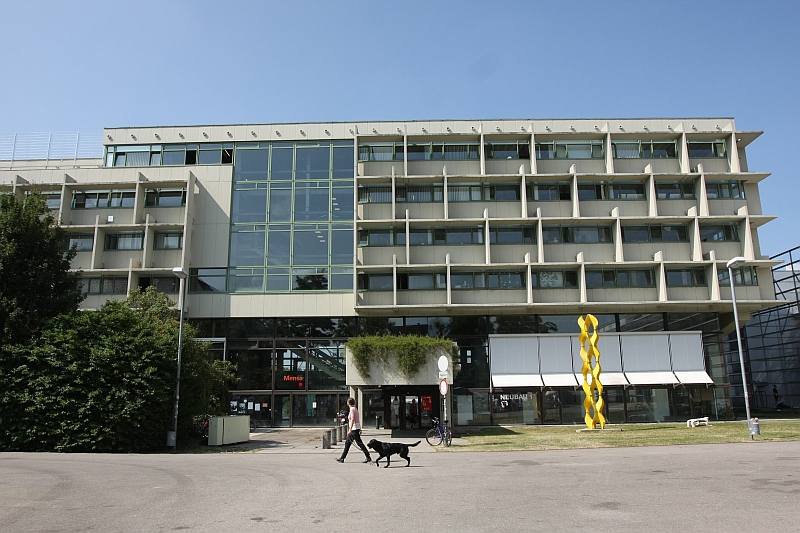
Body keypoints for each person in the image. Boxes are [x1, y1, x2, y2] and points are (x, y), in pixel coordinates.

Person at [336, 397, 372, 463]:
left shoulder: (352, 409)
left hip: (354, 429)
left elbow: (352, 419)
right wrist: (360, 428)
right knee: (348, 443)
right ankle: (342, 458)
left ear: (348, 403)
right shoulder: (355, 409)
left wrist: (350, 429)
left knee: (359, 443)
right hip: (356, 428)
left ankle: (368, 457)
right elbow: (358, 419)